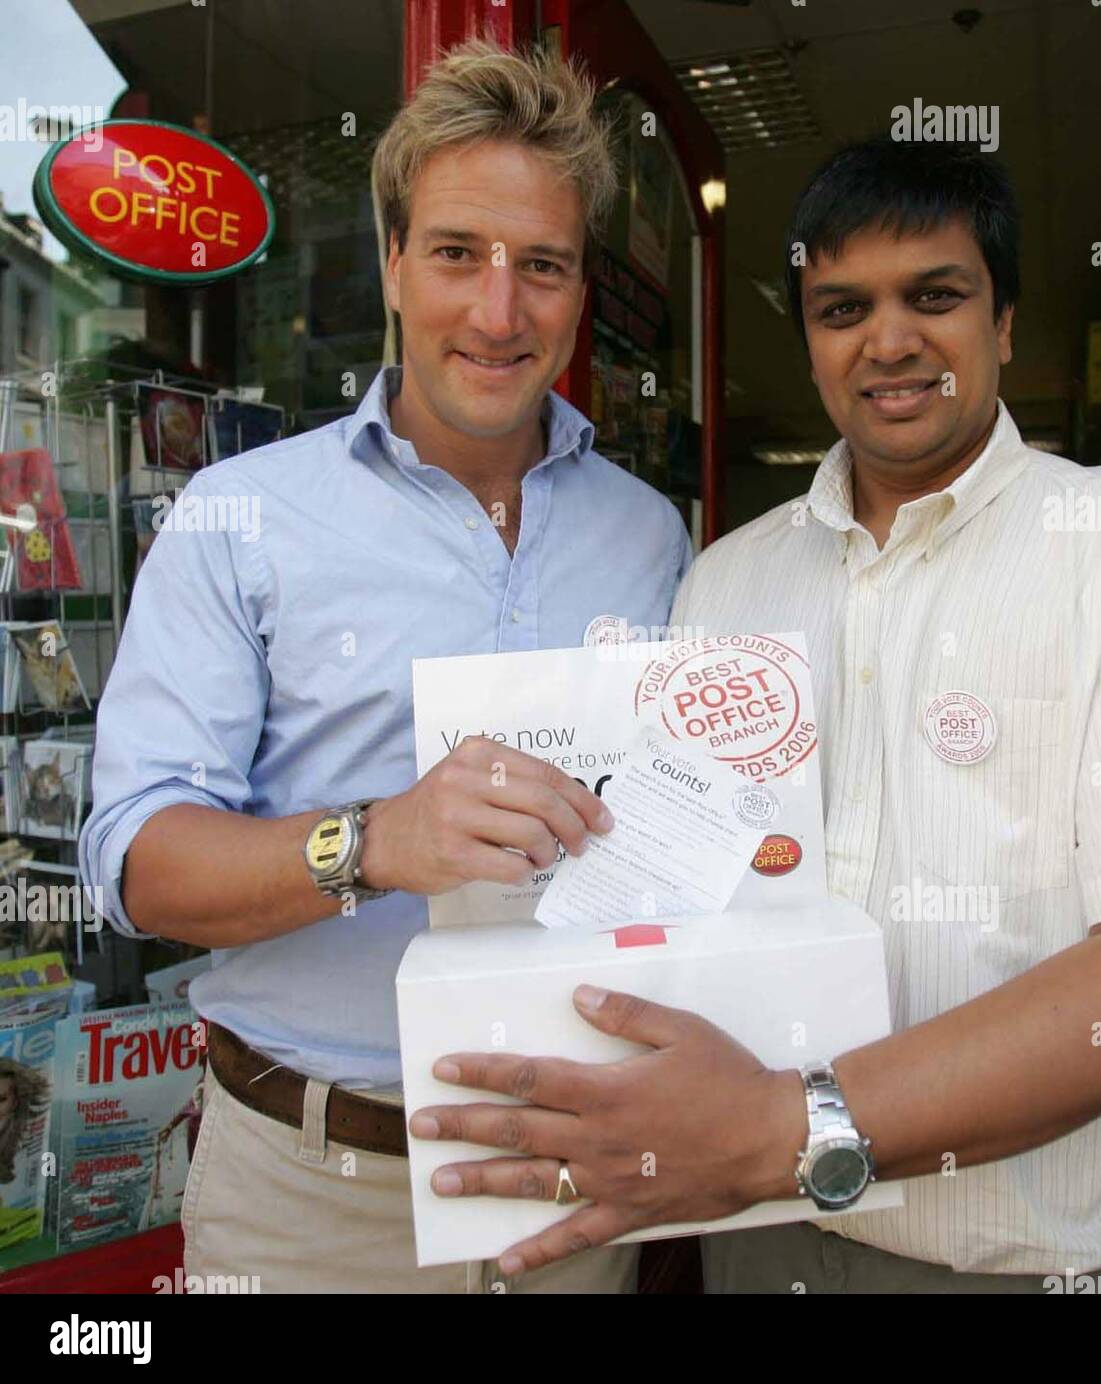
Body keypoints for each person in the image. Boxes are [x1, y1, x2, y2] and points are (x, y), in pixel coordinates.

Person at [409, 137, 1101, 1294]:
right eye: (842, 306)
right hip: (760, 1241)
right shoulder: (726, 580)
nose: (888, 339)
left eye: (935, 295)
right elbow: (676, 890)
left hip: (1040, 1264)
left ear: (1004, 321)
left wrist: (785, 1124)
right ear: (811, 339)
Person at [78, 38, 690, 1294]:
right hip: (313, 1198)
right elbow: (134, 862)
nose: (498, 311)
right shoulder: (236, 515)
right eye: (459, 253)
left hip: (574, 1178)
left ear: (580, 292)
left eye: (544, 266)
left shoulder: (649, 533)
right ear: (395, 264)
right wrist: (366, 843)